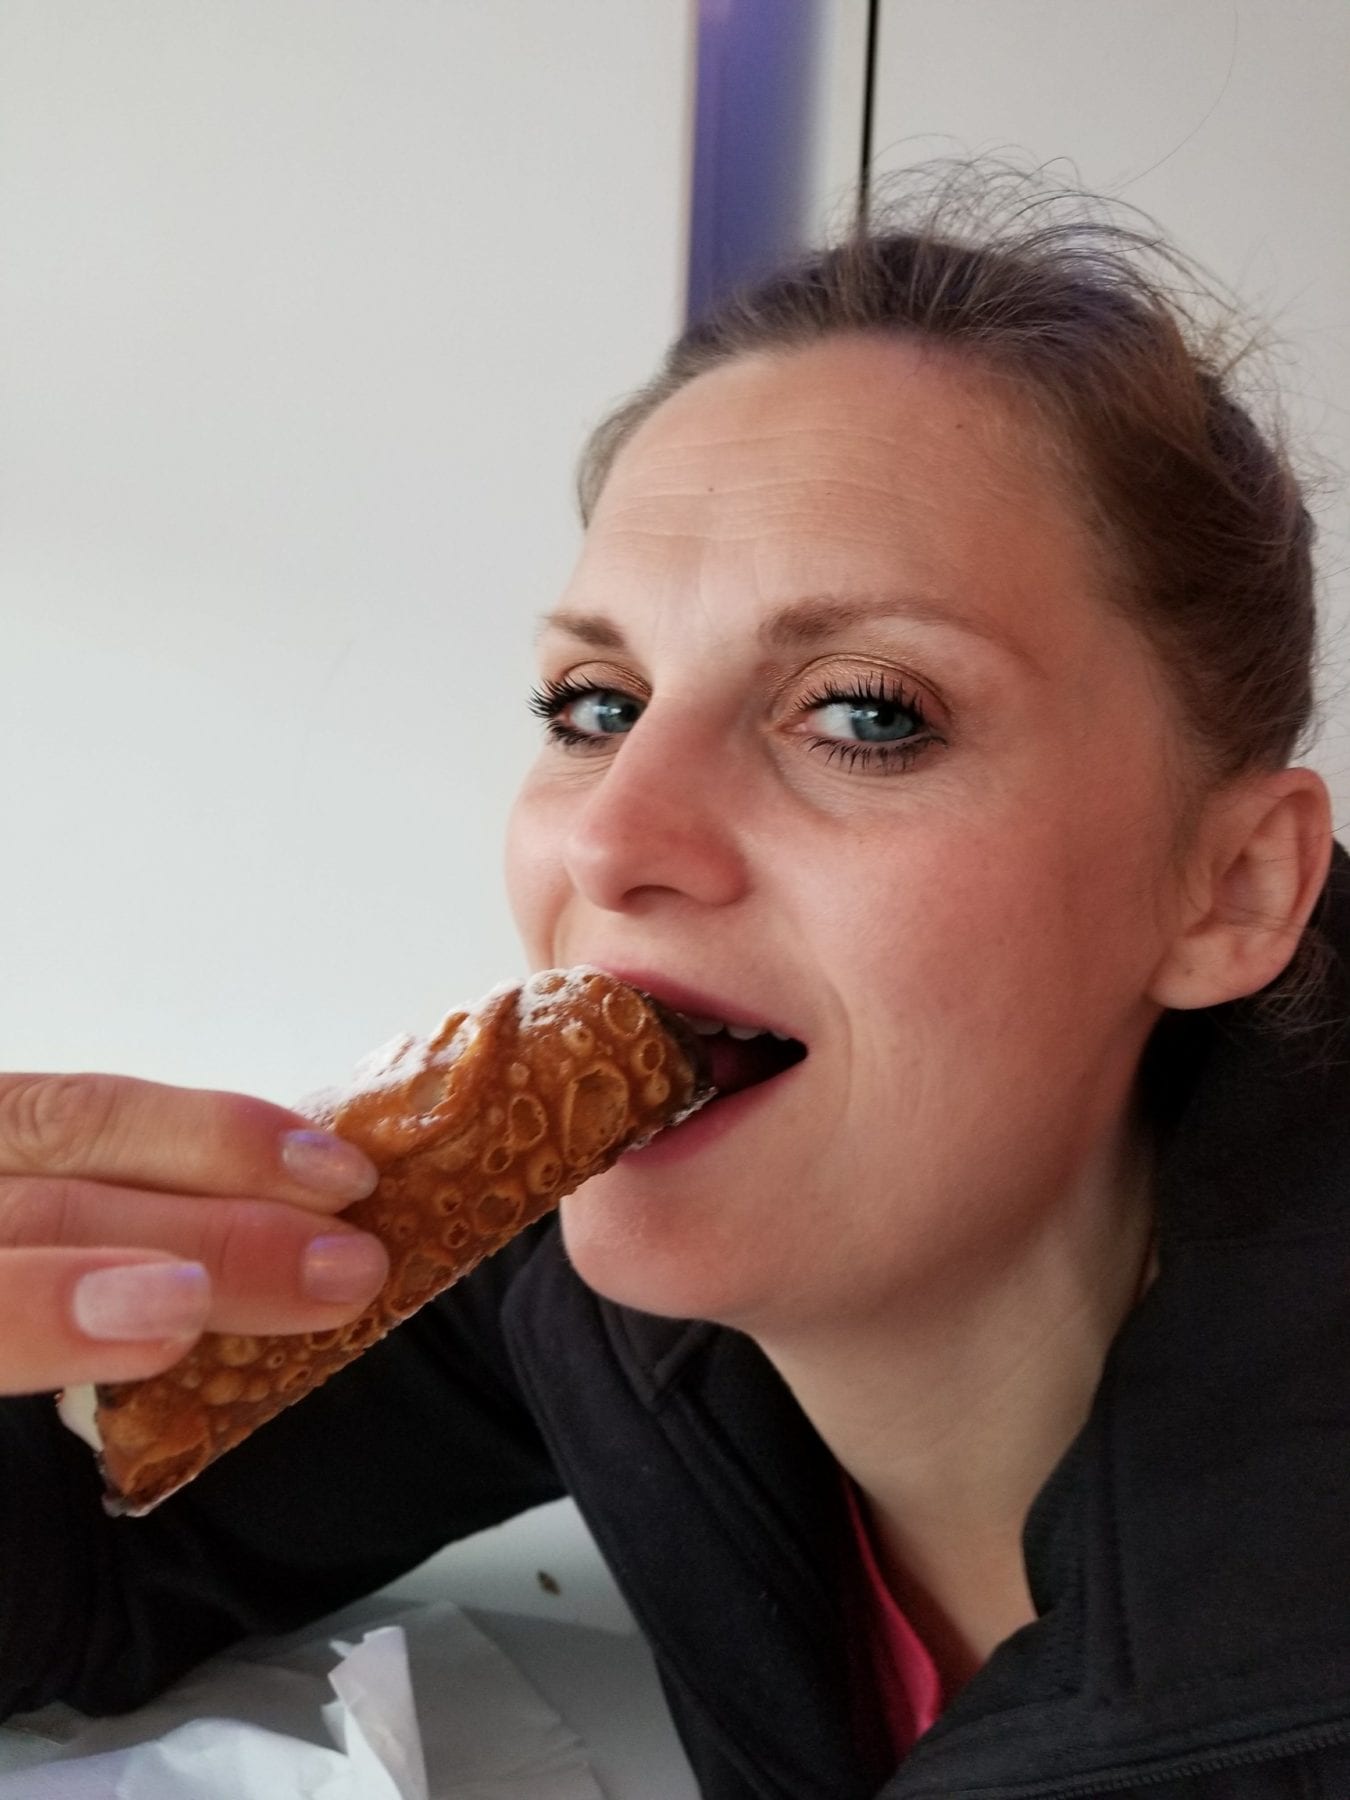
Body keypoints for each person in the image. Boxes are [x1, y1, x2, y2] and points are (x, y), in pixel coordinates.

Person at [2, 163, 1348, 1798]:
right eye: (593, 703)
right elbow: (80, 1573)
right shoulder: (572, 1280)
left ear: (1230, 890)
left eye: (864, 711)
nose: (615, 833)